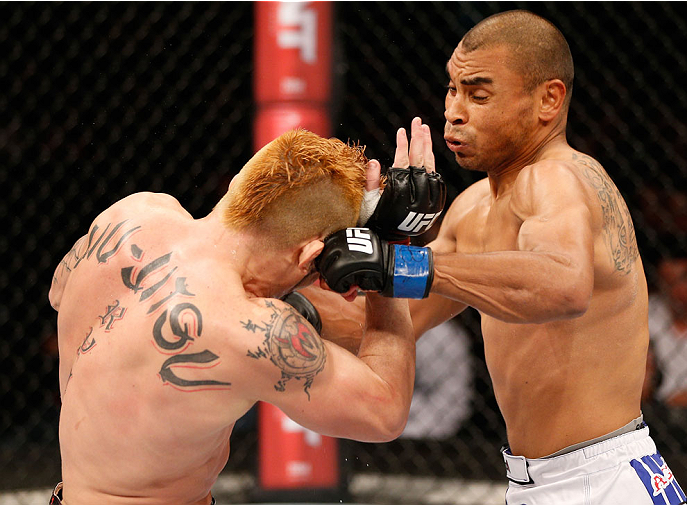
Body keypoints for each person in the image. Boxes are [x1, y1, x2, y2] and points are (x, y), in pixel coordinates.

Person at [315, 10, 687, 504]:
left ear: (548, 101)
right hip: (535, 483)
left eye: (479, 94)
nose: (454, 111)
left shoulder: (560, 178)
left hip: (604, 481)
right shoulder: (472, 210)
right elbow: (381, 323)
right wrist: (369, 249)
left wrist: (404, 265)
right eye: (452, 89)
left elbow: (562, 284)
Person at [47, 129, 426, 505]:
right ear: (309, 256)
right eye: (315, 270)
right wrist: (391, 253)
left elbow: (58, 291)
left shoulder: (134, 213)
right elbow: (386, 412)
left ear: (239, 186)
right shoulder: (250, 330)